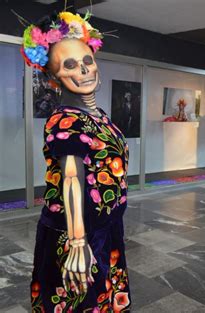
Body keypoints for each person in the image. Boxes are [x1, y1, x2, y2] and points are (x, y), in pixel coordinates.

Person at [23, 12, 131, 312]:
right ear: (53, 76)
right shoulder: (65, 121)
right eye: (69, 65)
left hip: (106, 227)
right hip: (80, 233)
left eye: (87, 61)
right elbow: (71, 177)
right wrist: (79, 243)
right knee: (80, 301)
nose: (83, 70)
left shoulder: (98, 116)